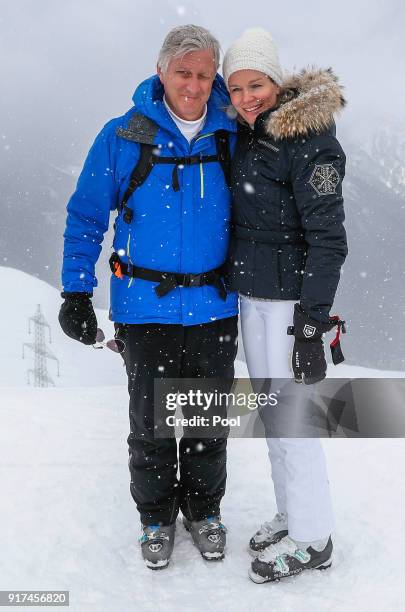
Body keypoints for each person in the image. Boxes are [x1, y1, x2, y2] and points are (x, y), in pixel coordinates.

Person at [59, 25, 239, 570]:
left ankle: (204, 511)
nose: (193, 84)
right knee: (153, 421)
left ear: (216, 77)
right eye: (183, 72)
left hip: (215, 305)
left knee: (207, 419)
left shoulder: (233, 134)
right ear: (161, 71)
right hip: (145, 306)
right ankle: (156, 517)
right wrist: (76, 290)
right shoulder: (124, 135)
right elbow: (87, 217)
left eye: (205, 74)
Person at [222, 28, 348, 583]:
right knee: (273, 416)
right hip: (253, 297)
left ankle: (313, 537)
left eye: (257, 84)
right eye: (237, 86)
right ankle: (292, 512)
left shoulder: (311, 139)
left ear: (277, 82)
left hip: (289, 304)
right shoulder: (251, 133)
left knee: (293, 421)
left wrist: (310, 326)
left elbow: (329, 239)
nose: (247, 96)